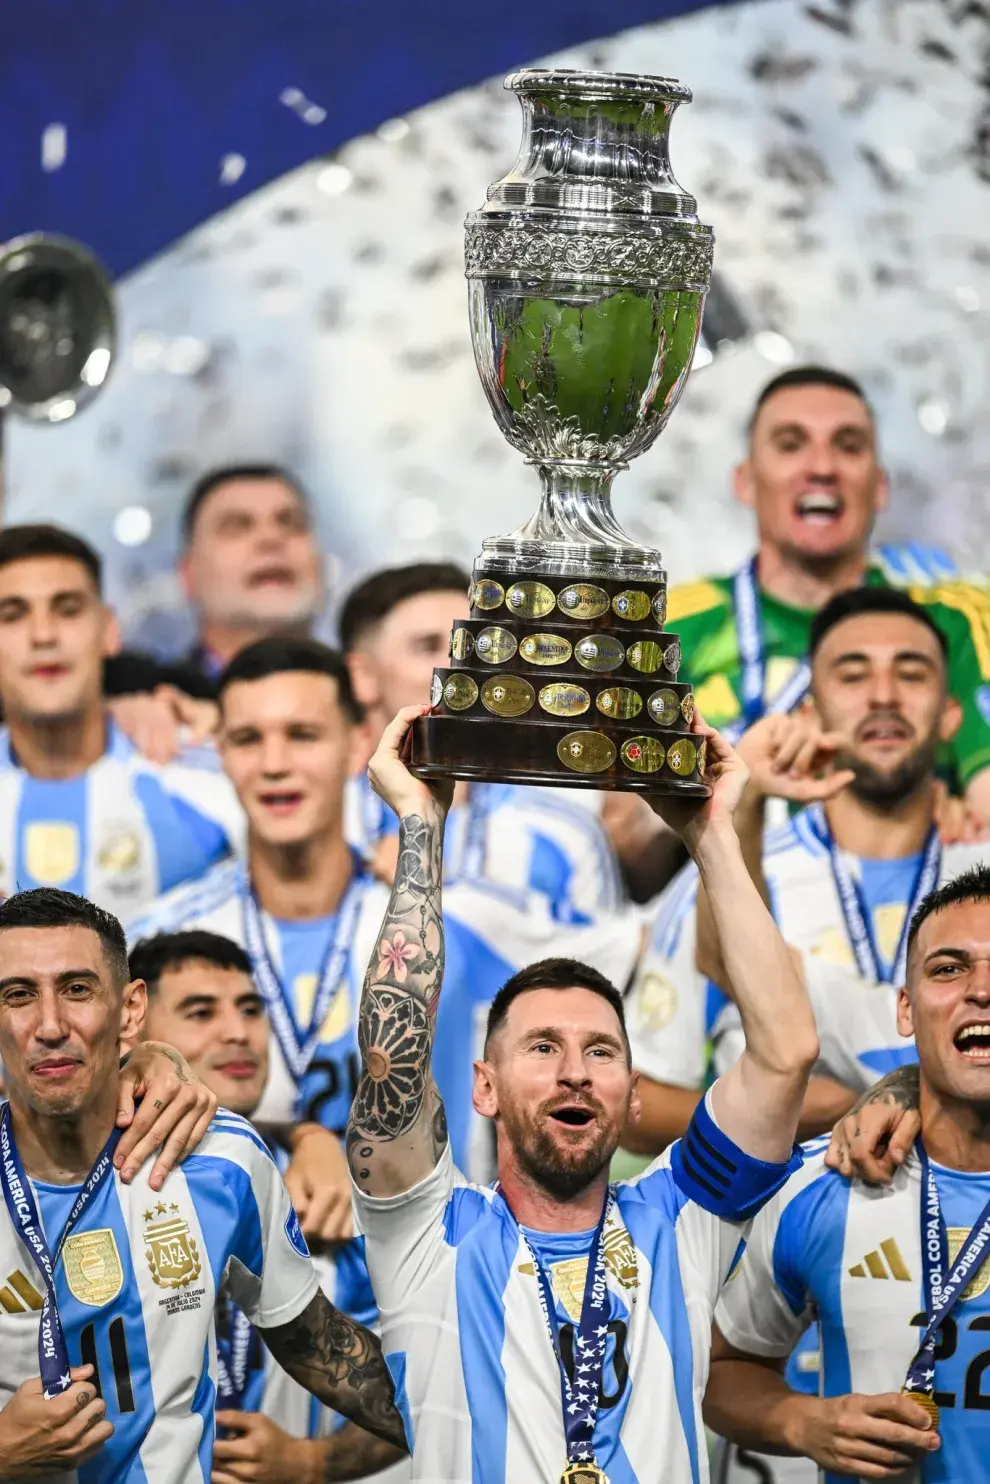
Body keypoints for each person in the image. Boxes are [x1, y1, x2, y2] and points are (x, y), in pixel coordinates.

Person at [344, 703, 819, 1482]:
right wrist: (422, 827)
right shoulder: (427, 1233)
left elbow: (785, 1051)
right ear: (485, 1089)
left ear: (632, 1097)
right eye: (542, 1047)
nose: (573, 1071)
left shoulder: (685, 1220)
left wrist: (709, 837)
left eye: (601, 1051)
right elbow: (392, 1053)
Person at [127, 636, 642, 1190]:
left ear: (357, 746)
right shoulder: (164, 934)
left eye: (303, 736)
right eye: (248, 740)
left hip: (438, 1259)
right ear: (220, 752)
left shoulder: (452, 913)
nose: (275, 765)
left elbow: (646, 949)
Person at [0, 887, 406, 1482]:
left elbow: (323, 1348)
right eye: (17, 996)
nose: (52, 1025)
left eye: (78, 989)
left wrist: (515, 1413)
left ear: (131, 1011)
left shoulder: (226, 1160)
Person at [624, 588, 990, 1159]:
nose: (884, 697)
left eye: (912, 674)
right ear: (809, 713)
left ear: (950, 717)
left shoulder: (981, 874)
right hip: (781, 1235)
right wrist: (782, 1106)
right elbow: (635, 1104)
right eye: (853, 675)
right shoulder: (731, 874)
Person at [706, 864, 990, 1482]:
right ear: (906, 1010)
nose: (982, 990)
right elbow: (722, 1372)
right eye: (949, 968)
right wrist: (803, 1424)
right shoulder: (822, 1183)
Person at [131, 929, 406, 1482]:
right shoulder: (82, 1180)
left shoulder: (339, 1193)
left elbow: (439, 1383)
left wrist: (314, 1463)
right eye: (200, 1012)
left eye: (251, 1010)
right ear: (137, 1029)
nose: (238, 1033)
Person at [665, 364, 990, 816]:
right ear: (746, 482)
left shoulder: (957, 620)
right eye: (791, 445)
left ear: (879, 488)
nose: (821, 468)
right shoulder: (670, 628)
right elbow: (631, 855)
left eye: (848, 446)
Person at [339, 562, 626, 923]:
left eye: (478, 644)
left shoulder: (566, 833)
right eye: (427, 646)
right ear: (362, 676)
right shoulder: (325, 823)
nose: (459, 664)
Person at [0, 523, 244, 921]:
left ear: (109, 631)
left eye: (67, 609)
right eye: (12, 615)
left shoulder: (209, 771)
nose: (43, 635)